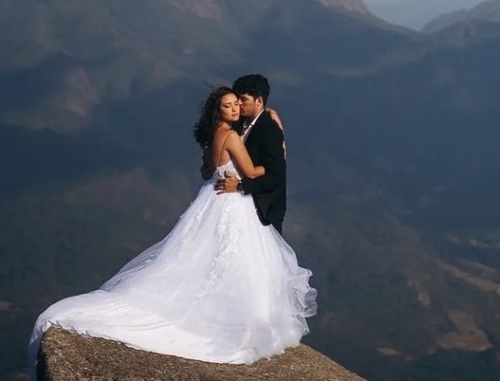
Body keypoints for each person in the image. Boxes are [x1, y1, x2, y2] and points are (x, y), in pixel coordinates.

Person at [27, 86, 316, 378]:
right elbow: (253, 172)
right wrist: (278, 157)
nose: (235, 109)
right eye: (228, 106)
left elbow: (207, 170)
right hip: (231, 203)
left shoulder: (214, 137)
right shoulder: (230, 136)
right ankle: (236, 320)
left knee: (206, 257)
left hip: (211, 198)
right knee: (237, 261)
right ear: (219, 111)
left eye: (236, 105)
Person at [214, 74, 288, 234]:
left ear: (259, 101)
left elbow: (276, 176)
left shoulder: (269, 129)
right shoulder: (239, 123)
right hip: (237, 207)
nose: (238, 104)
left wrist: (240, 186)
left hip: (263, 212)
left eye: (243, 99)